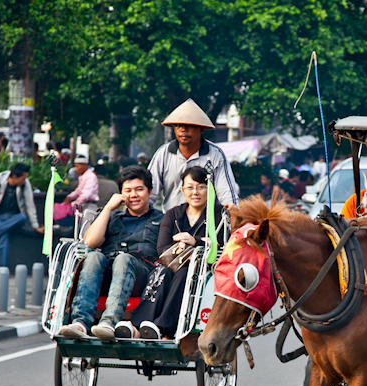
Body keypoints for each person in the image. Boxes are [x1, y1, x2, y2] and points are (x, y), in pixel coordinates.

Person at [115, 166, 224, 339]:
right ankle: (138, 325)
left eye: (201, 187)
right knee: (161, 271)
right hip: (172, 264)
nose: (195, 192)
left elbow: (222, 245)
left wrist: (194, 242)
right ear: (182, 190)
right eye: (190, 187)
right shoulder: (173, 214)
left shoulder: (219, 215)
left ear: (209, 189)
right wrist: (181, 249)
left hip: (203, 271)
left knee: (184, 274)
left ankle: (163, 327)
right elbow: (162, 248)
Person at [58, 166, 163, 341]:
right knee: (93, 257)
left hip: (142, 277)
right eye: (127, 190)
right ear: (121, 193)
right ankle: (80, 322)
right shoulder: (112, 217)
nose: (133, 195)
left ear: (149, 192)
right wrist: (107, 209)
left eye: (139, 189)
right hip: (108, 274)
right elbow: (90, 242)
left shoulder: (161, 219)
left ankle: (108, 322)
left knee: (123, 259)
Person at [148, 98, 238, 211]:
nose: (183, 130)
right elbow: (149, 192)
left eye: (189, 126)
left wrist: (231, 211)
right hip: (171, 222)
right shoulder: (163, 154)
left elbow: (227, 196)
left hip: (206, 224)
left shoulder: (216, 155)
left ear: (201, 129)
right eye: (179, 125)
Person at [0, 162, 44, 267]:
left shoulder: (25, 184)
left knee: (22, 217)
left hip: (14, 217)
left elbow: (29, 204)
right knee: (3, 235)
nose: (24, 181)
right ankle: (2, 269)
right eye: (22, 178)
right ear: (14, 176)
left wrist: (35, 225)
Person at [54, 156, 100, 225]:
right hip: (83, 205)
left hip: (89, 206)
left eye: (77, 166)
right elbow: (78, 190)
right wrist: (70, 197)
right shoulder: (83, 176)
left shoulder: (91, 177)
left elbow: (86, 195)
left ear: (84, 166)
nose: (76, 169)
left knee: (85, 229)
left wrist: (74, 203)